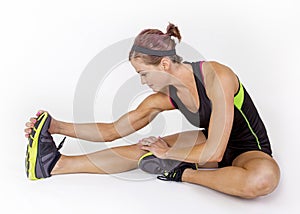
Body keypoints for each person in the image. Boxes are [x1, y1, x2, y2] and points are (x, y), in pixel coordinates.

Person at [24, 23, 280, 199]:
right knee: (146, 148)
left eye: (143, 73)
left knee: (264, 180)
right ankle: (56, 165)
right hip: (207, 141)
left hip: (248, 149)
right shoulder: (164, 97)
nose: (142, 81)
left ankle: (183, 174)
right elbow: (113, 130)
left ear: (165, 64)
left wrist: (169, 153)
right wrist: (55, 126)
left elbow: (216, 150)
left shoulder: (216, 76)